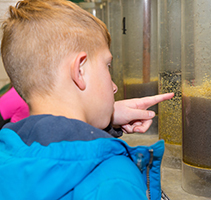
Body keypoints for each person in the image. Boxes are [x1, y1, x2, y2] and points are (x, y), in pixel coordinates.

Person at [0, 0, 174, 199]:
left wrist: (108, 117)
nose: (114, 86)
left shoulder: (8, 153)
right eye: (108, 66)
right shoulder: (115, 179)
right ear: (79, 70)